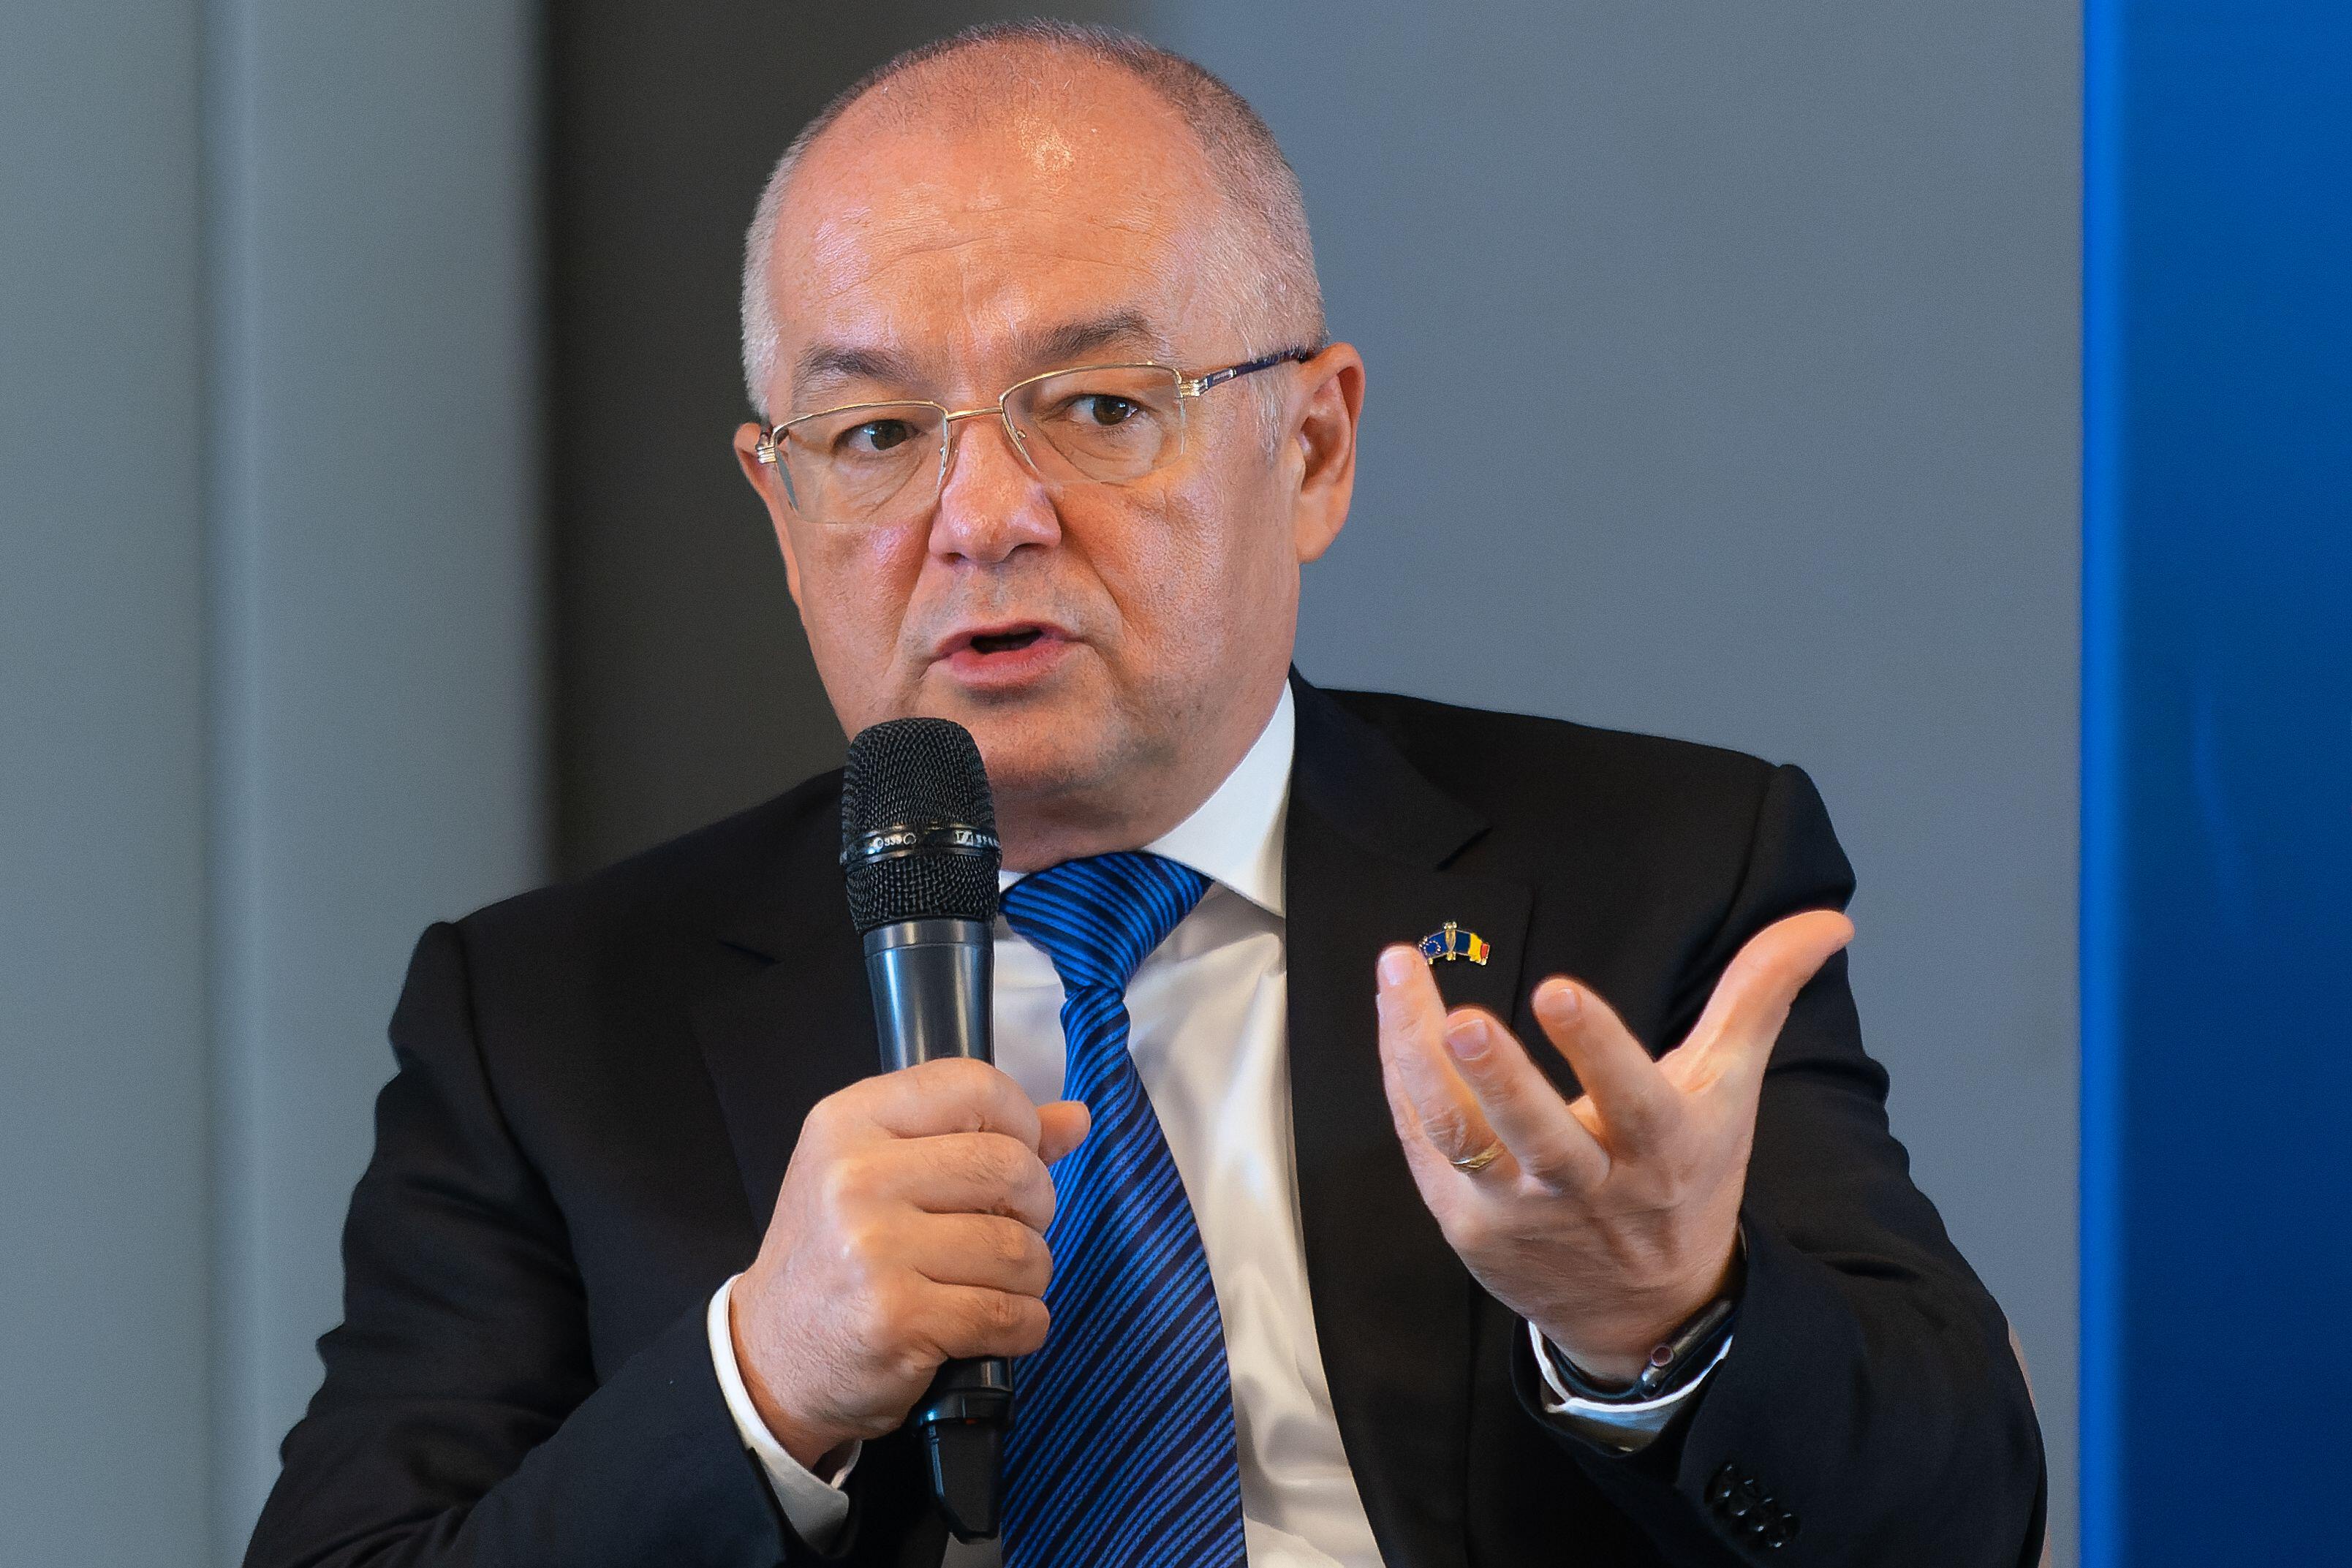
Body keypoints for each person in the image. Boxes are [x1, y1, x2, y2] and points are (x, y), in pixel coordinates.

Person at [244, 21, 2044, 1568]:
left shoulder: (1646, 880)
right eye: (874, 435)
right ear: (780, 508)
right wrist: (761, 1380)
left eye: (1097, 407)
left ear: (1312, 447)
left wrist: (1665, 1316)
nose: (983, 517)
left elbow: (1958, 1523)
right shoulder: (550, 1016)